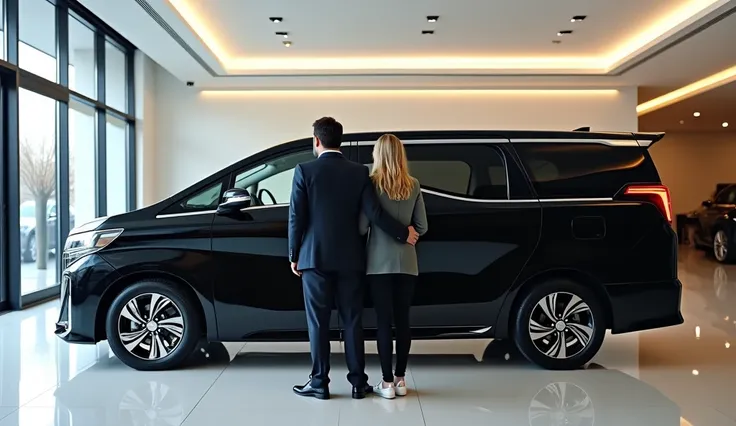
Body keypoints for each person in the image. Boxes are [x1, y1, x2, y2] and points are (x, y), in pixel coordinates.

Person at [288, 118, 420, 400]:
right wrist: (402, 233)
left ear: (316, 141)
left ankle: (320, 382)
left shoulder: (304, 170)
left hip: (315, 258)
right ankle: (358, 382)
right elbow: (374, 214)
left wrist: (293, 254)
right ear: (341, 141)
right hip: (352, 259)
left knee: (318, 323)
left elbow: (296, 217)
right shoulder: (359, 172)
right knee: (352, 321)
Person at [359, 134, 428, 399]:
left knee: (383, 323)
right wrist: (407, 230)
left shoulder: (372, 185)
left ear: (378, 154)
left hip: (377, 264)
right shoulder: (413, 185)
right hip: (408, 263)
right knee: (403, 322)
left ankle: (386, 383)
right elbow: (422, 227)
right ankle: (401, 380)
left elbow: (362, 226)